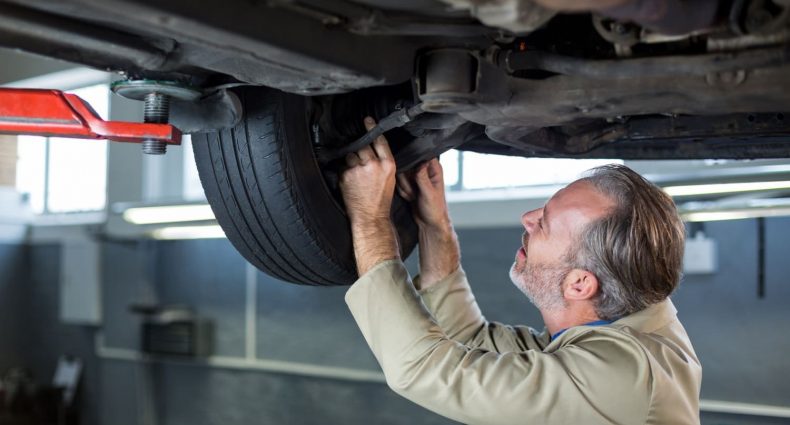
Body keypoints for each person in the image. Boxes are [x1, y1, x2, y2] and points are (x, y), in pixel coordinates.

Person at [340, 117, 702, 425]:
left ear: (579, 284)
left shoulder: (621, 376)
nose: (526, 219)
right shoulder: (625, 325)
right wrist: (436, 228)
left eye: (544, 224)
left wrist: (370, 218)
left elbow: (424, 370)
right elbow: (469, 339)